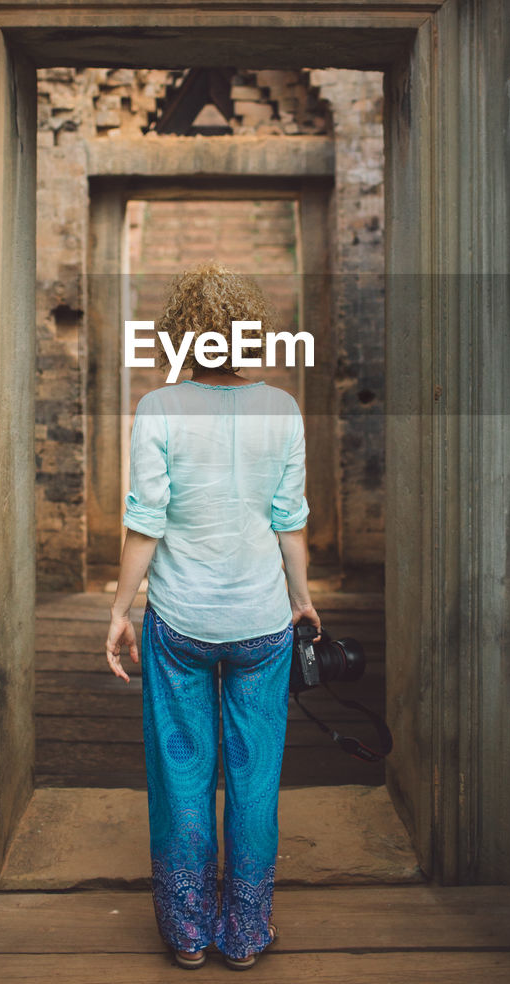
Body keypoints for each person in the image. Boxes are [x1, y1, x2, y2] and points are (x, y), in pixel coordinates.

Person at [105, 263, 321, 970]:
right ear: (251, 335)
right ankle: (246, 933)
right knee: (256, 776)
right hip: (261, 622)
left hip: (180, 621)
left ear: (180, 335)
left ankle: (189, 932)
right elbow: (289, 521)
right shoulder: (282, 410)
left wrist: (119, 609)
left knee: (181, 770)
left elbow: (146, 524)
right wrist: (302, 596)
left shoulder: (160, 408)